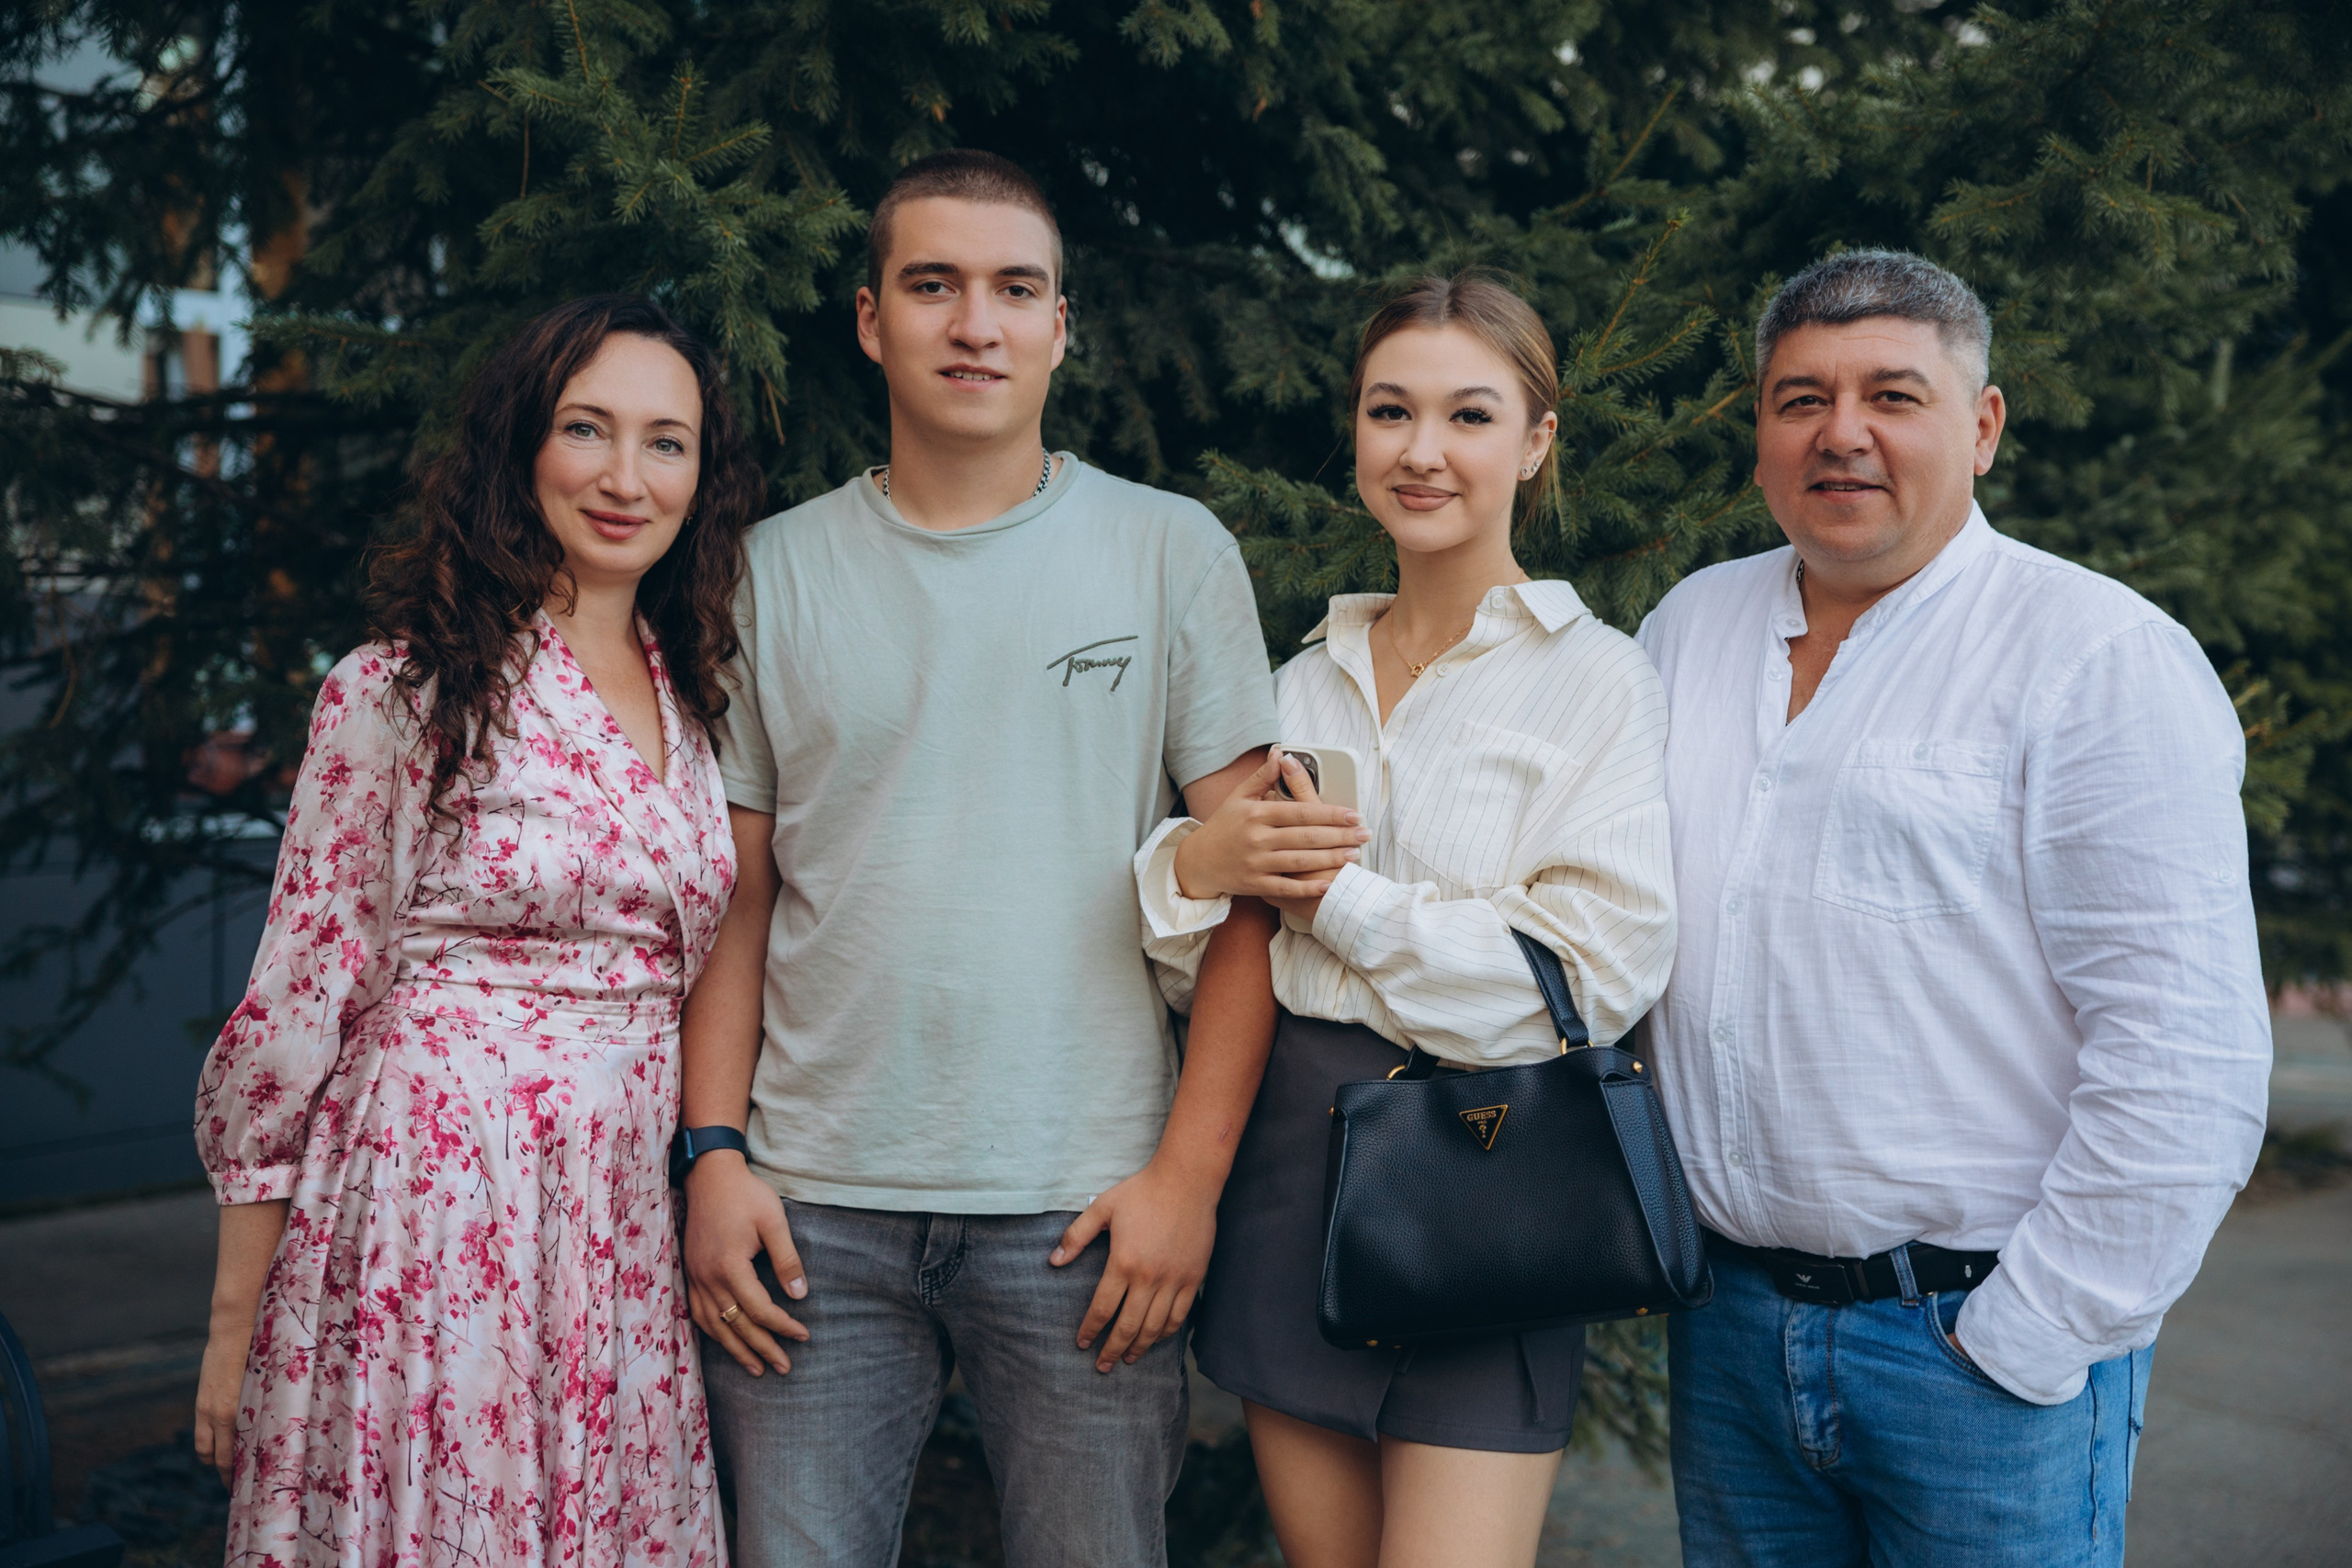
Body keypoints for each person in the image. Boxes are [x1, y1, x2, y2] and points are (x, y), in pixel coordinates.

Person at [676, 149, 1291, 1568]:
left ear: (1061, 326)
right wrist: (712, 1155)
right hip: (810, 1216)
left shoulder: (1168, 551)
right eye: (934, 285)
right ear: (868, 317)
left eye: (1016, 289)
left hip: (1084, 1213)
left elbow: (1255, 891)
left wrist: (1186, 1186)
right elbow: (739, 901)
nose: (976, 324)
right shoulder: (769, 570)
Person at [1635, 249, 2272, 1566]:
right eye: (1800, 397)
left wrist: (2030, 1339)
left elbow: (2185, 1058)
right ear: (1760, 430)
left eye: (1894, 395)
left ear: (1981, 427)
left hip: (1974, 1351)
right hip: (1732, 1335)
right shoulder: (1689, 628)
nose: (1842, 433)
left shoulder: (2097, 658)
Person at [189, 294, 762, 1566]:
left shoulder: (701, 702)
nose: (626, 477)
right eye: (587, 430)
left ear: (702, 476)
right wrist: (236, 1321)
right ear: (520, 447)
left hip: (614, 1220)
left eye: (666, 442)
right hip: (436, 1208)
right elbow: (295, 1004)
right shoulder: (402, 689)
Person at [1136, 271, 1677, 1568]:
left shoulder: (1599, 680)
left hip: (1492, 1179)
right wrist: (1197, 863)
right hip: (1290, 1167)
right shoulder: (1292, 686)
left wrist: (1337, 902)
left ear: (1537, 442)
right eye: (1390, 412)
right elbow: (1195, 968)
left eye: (1469, 416)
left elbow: (1584, 977)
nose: (1422, 452)